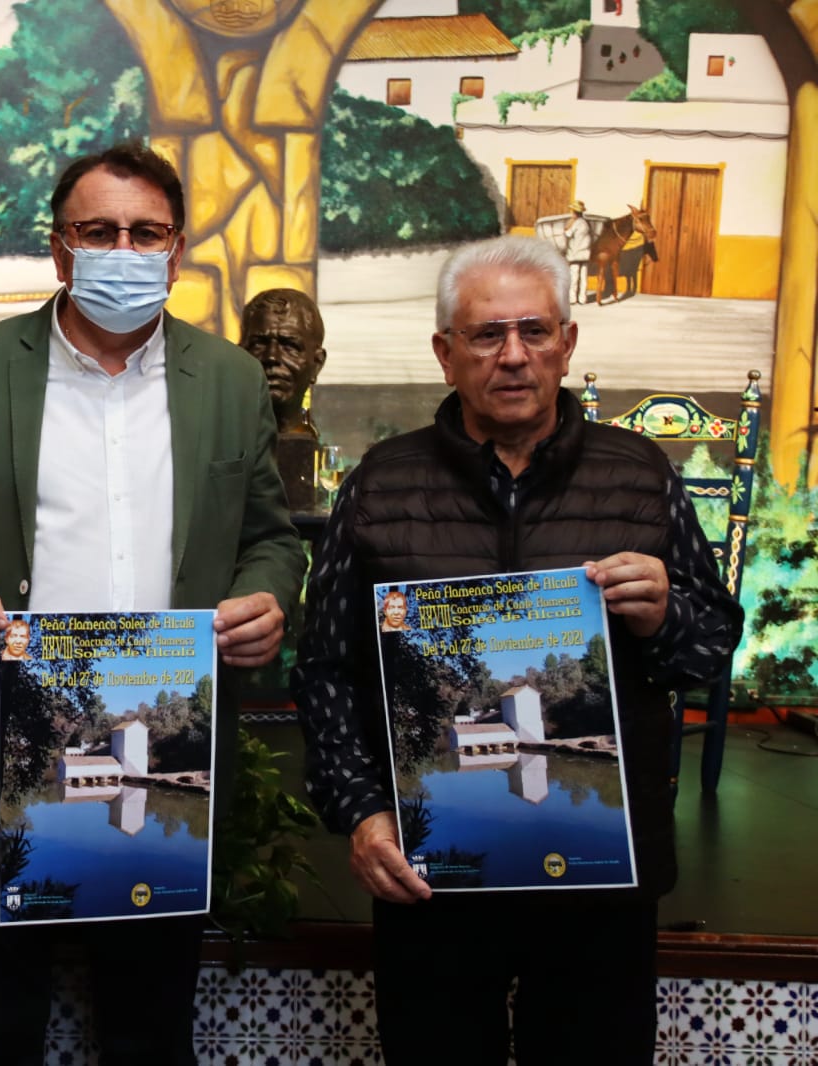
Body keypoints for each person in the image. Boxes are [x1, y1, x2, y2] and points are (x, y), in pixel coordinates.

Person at [0, 141, 305, 1066]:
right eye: (98, 231)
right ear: (61, 249)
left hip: (164, 754)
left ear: (176, 250)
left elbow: (270, 535)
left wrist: (266, 594)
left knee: (149, 1035)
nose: (123, 249)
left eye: (145, 233)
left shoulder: (227, 382)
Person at [292, 234, 743, 1066]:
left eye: (534, 332)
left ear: (567, 344)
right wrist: (360, 812)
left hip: (602, 868)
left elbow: (709, 648)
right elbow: (324, 670)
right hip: (433, 871)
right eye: (486, 335)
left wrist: (663, 615)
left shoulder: (640, 475)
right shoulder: (381, 484)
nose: (512, 356)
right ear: (445, 354)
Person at [240, 288, 328, 510]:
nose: (272, 357)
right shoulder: (215, 443)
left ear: (316, 363)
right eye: (259, 343)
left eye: (289, 346)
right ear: (240, 353)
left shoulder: (321, 456)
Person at [563, 199, 594, 307]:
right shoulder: (586, 223)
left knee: (574, 276)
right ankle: (582, 298)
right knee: (584, 276)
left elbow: (568, 234)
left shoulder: (576, 223)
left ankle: (573, 298)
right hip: (585, 253)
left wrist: (567, 227)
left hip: (576, 253)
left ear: (575, 212)